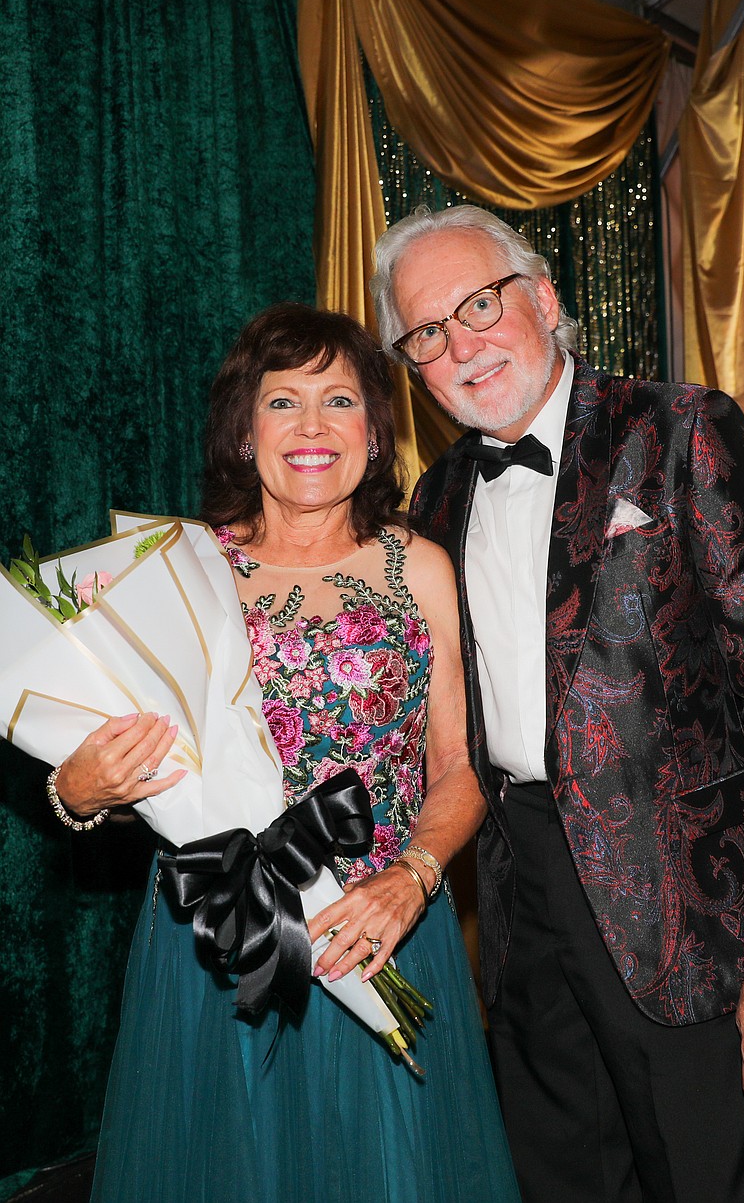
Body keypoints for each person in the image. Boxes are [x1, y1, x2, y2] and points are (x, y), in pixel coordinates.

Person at [370, 204, 744, 1203]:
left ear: (543, 299)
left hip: (688, 920)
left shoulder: (680, 431)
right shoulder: (435, 500)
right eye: (426, 332)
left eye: (479, 304)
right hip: (519, 911)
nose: (461, 344)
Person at [50, 302, 521, 1203]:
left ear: (377, 435)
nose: (311, 427)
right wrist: (78, 789)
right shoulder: (180, 570)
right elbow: (97, 759)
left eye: (339, 400)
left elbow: (458, 766)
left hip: (376, 932)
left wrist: (413, 876)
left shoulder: (417, 567)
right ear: (242, 430)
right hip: (212, 940)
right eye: (283, 402)